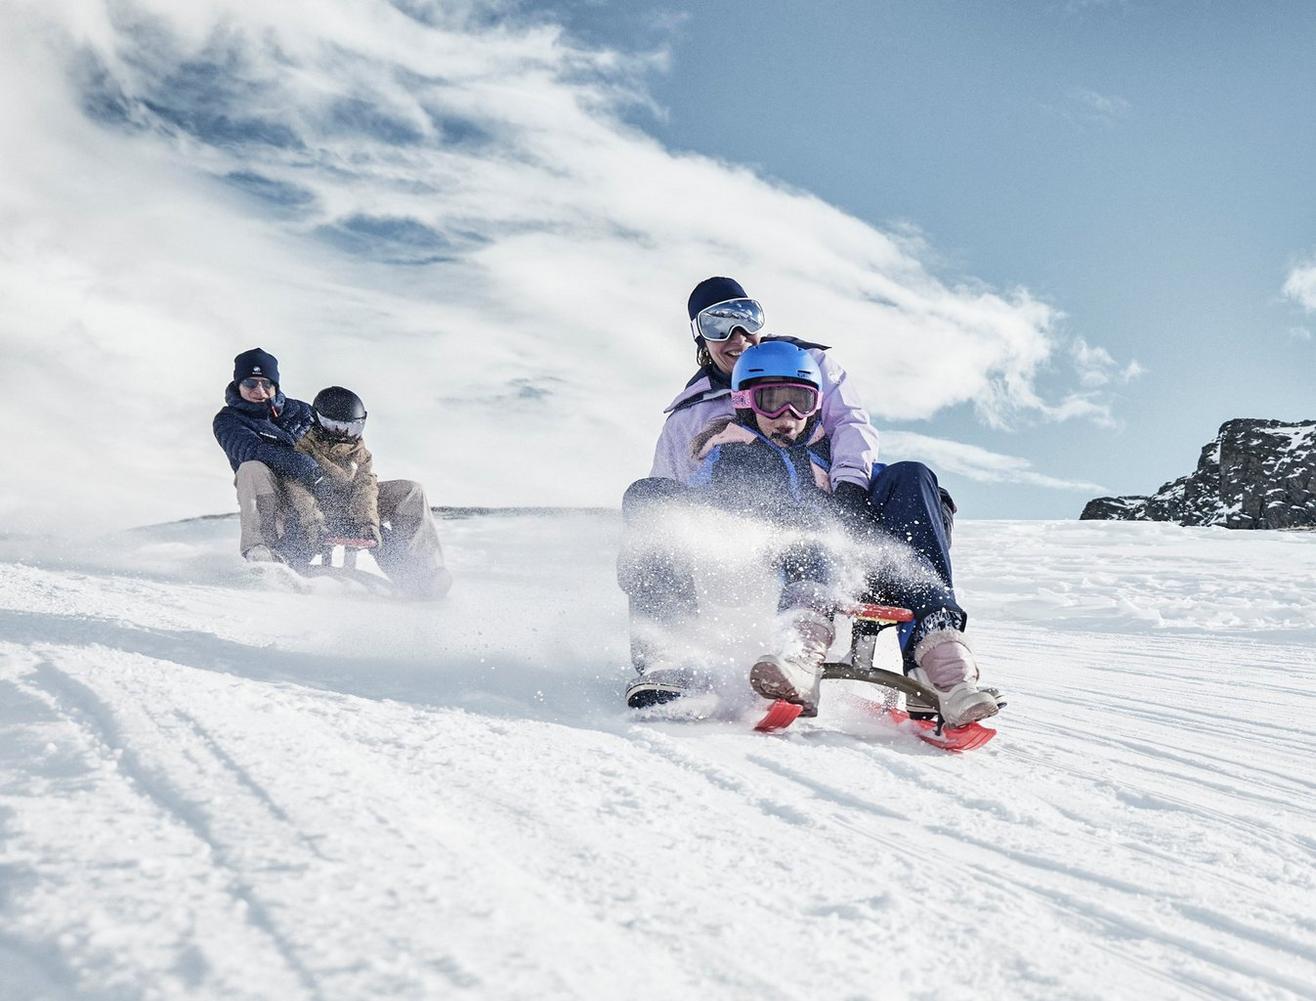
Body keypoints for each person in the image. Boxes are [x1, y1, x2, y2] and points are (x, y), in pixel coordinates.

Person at [629, 341, 998, 727]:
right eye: (771, 401)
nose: (787, 416)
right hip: (772, 574)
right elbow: (709, 512)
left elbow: (900, 494)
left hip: (861, 571)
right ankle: (799, 657)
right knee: (805, 525)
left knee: (912, 474)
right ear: (743, 402)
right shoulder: (729, 455)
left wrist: (929, 504)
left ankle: (948, 673)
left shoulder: (828, 455)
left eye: (800, 402)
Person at [212, 350, 451, 599]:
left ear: (275, 385)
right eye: (250, 383)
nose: (259, 390)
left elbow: (341, 440)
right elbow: (252, 449)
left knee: (410, 490)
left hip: (334, 492)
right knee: (251, 467)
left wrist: (355, 497)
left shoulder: (302, 411)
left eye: (266, 383)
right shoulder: (228, 421)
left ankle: (424, 575)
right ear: (238, 383)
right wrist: (309, 470)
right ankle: (263, 554)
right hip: (284, 499)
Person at [294, 386, 452, 599]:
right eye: (336, 426)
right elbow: (298, 491)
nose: (345, 434)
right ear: (319, 421)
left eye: (353, 427)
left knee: (411, 493)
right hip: (320, 516)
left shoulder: (359, 451)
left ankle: (426, 574)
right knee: (380, 538)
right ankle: (413, 577)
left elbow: (365, 488)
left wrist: (368, 524)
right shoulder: (303, 449)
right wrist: (315, 524)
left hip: (352, 511)